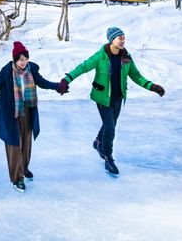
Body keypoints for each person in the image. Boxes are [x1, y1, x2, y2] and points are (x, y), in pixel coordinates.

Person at [59, 27, 166, 177]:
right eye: (119, 38)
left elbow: (136, 75)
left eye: (124, 37)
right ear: (111, 40)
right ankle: (108, 158)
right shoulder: (101, 56)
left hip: (118, 97)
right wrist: (66, 80)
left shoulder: (126, 57)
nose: (122, 40)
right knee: (110, 128)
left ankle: (97, 142)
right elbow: (83, 67)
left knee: (110, 124)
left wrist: (152, 86)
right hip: (103, 97)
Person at [0, 41, 65, 192]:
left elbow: (42, 82)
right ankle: (17, 178)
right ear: (15, 60)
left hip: (28, 111)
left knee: (26, 143)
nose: (24, 62)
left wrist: (58, 86)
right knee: (14, 146)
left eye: (26, 59)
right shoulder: (6, 72)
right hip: (12, 114)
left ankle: (24, 168)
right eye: (20, 60)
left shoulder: (31, 69)